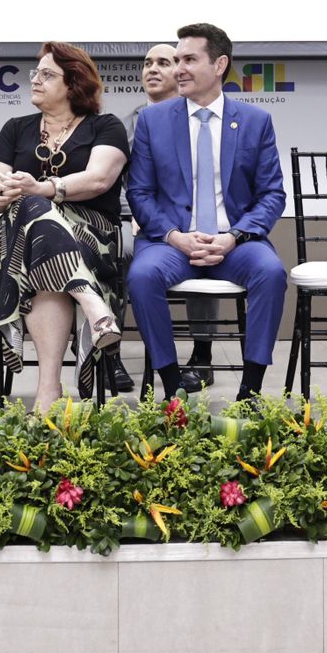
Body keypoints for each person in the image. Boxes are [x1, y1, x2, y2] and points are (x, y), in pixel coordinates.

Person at [127, 23, 287, 400]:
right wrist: (174, 236)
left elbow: (272, 195)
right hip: (172, 242)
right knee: (142, 276)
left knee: (271, 273)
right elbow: (140, 192)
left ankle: (250, 391)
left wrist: (234, 236)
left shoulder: (255, 121)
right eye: (177, 60)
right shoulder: (154, 120)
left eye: (189, 59)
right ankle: (170, 388)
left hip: (235, 242)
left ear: (219, 65)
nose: (179, 68)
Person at [0, 42, 128, 409]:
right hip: (23, 237)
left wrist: (43, 189)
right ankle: (91, 303)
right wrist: (3, 193)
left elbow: (98, 180)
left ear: (74, 83)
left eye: (47, 74)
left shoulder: (105, 126)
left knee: (37, 213)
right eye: (35, 73)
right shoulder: (15, 128)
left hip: (91, 233)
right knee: (31, 210)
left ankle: (47, 389)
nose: (35, 80)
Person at [114, 43, 219, 392]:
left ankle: (202, 354)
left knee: (205, 247)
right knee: (118, 250)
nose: (152, 69)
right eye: (147, 63)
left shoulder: (201, 118)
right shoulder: (127, 124)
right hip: (130, 218)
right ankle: (109, 354)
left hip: (185, 222)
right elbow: (114, 182)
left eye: (164, 62)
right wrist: (132, 216)